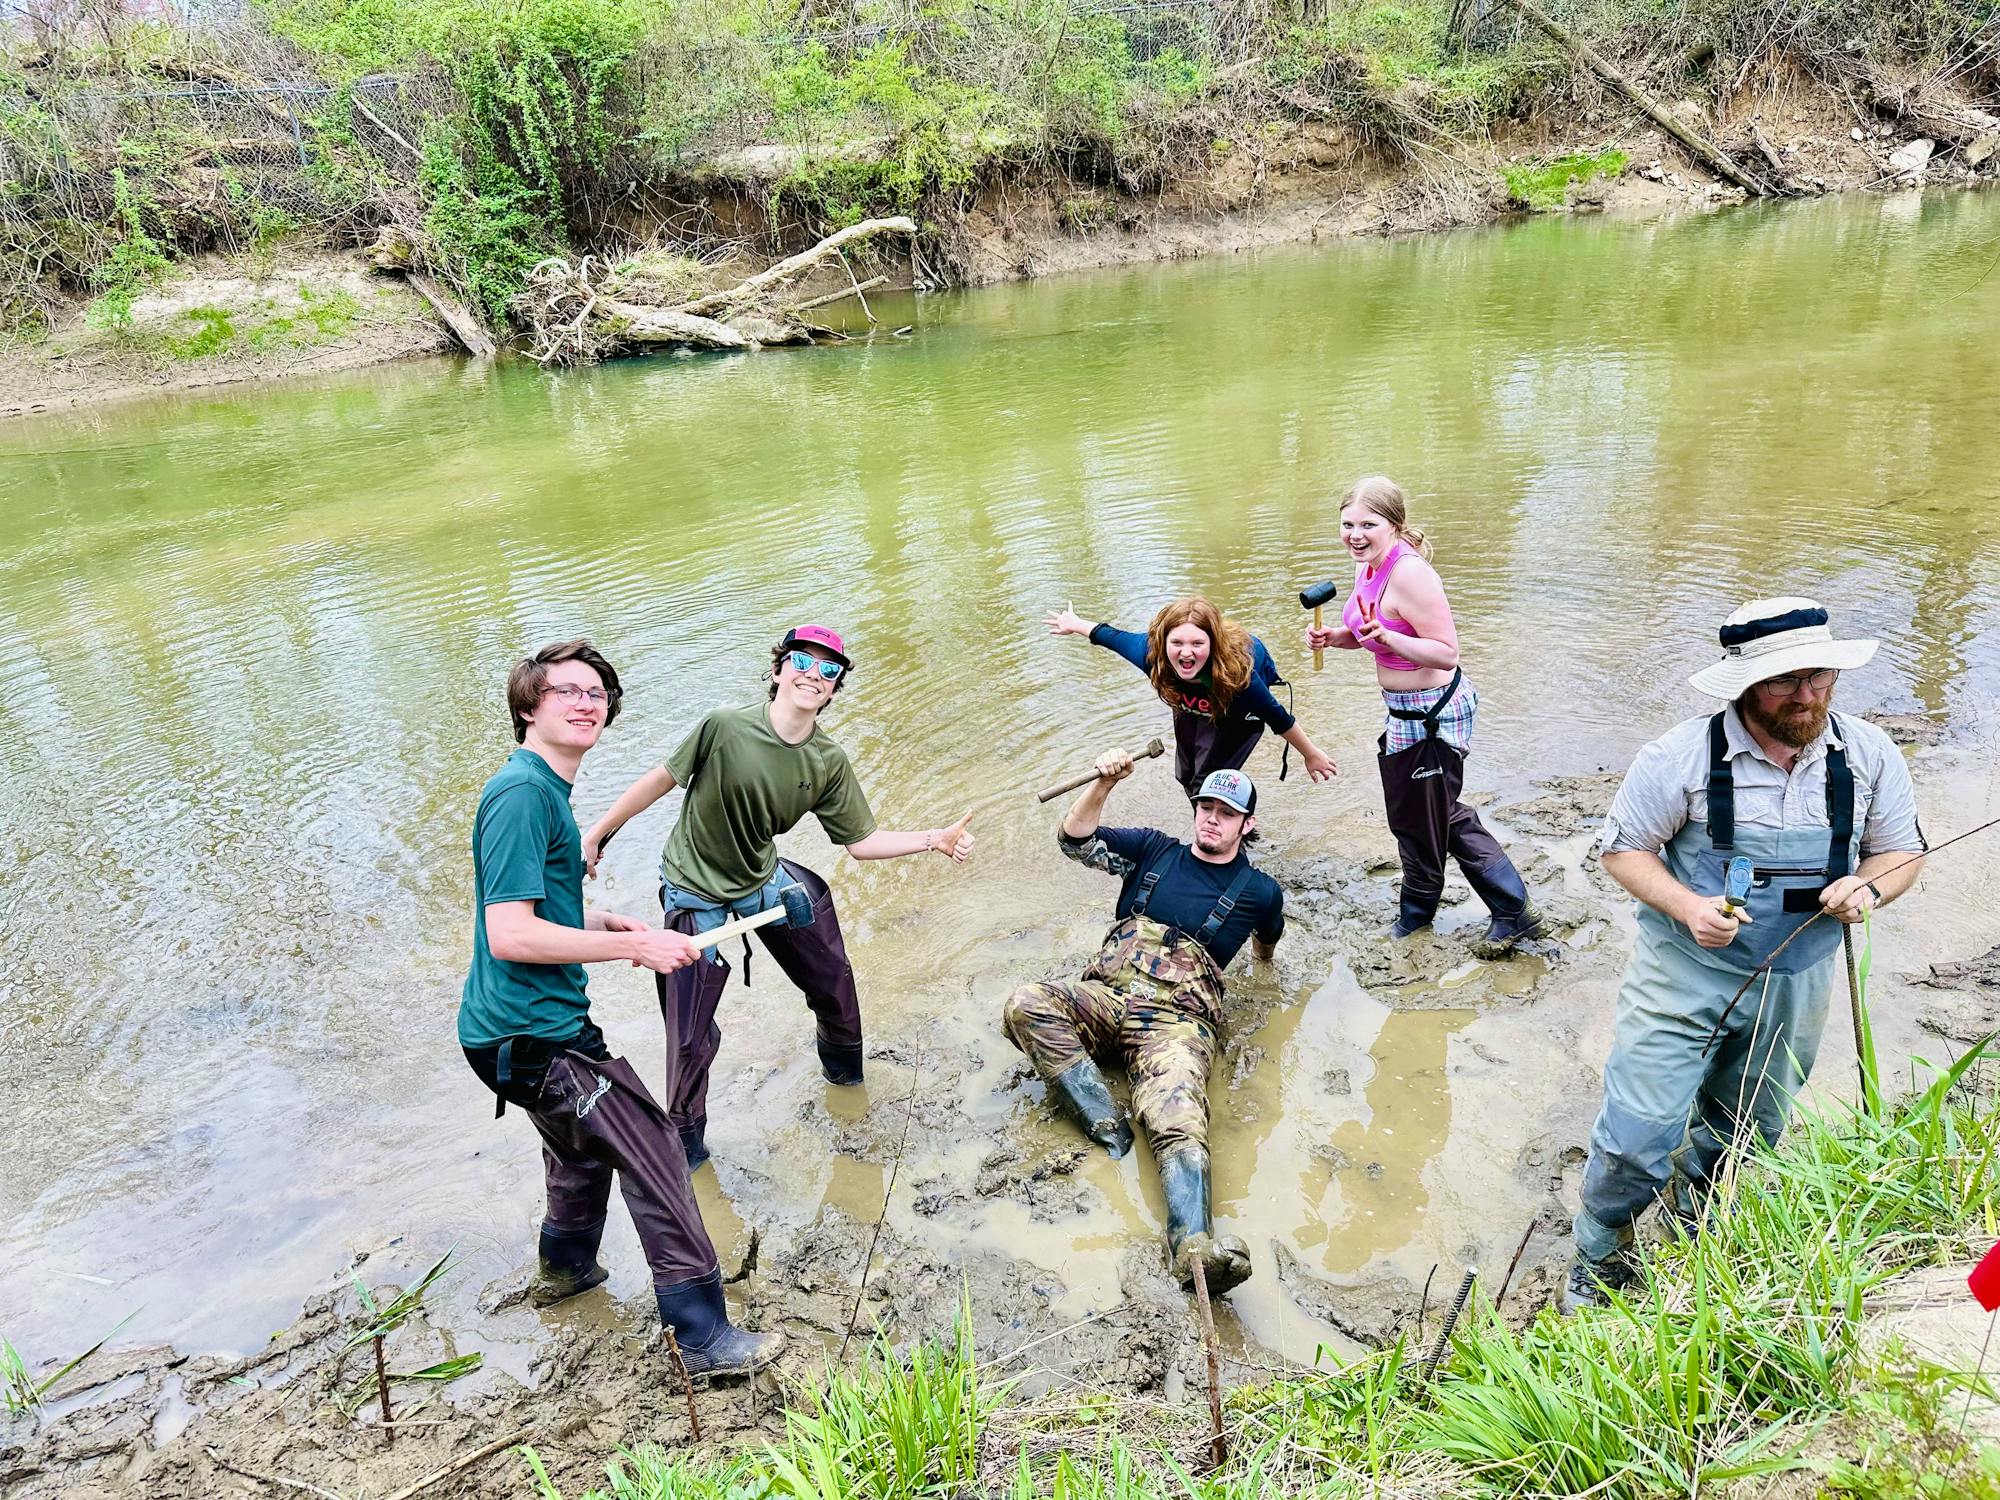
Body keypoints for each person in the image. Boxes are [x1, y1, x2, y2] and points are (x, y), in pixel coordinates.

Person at [1564, 598, 1926, 1310]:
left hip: (1797, 979)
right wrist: (1689, 907)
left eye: (1818, 676)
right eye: (1785, 681)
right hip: (1684, 970)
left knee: (1747, 1130)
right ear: (1743, 685)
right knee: (1638, 1135)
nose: (1807, 695)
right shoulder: (1677, 758)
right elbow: (1623, 849)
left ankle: (1697, 1220)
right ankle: (1598, 1254)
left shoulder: (1870, 755)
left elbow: (1902, 851)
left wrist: (1869, 888)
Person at [457, 640, 782, 1377]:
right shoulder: (522, 794)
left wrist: (602, 925)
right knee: (656, 1148)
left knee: (579, 1151)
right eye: (566, 691)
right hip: (533, 1034)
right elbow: (509, 933)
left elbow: (528, 908)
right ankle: (702, 1340)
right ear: (527, 707)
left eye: (597, 694)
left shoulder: (542, 790)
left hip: (513, 1033)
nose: (585, 703)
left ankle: (566, 1274)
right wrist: (637, 953)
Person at [583, 626, 975, 1172]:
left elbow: (861, 844)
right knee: (691, 1035)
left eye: (828, 670)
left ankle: (846, 1083)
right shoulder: (724, 727)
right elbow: (661, 780)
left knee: (835, 985)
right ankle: (688, 1153)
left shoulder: (827, 761)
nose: (813, 675)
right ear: (778, 670)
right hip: (695, 887)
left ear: (835, 690)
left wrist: (933, 839)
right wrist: (598, 832)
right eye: (802, 662)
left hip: (763, 878)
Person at [1002, 757, 1284, 1296]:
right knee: (1025, 1003)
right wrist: (1103, 784)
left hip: (1177, 1025)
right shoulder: (1154, 849)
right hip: (1107, 999)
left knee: (1177, 1114)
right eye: (1206, 807)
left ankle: (1192, 1247)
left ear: (1246, 824)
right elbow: (1073, 839)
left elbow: (1267, 944)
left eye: (1227, 813)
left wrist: (1265, 979)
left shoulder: (1261, 891)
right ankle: (1105, 1123)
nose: (1212, 820)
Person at [1305, 476, 1542, 949]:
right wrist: (1338, 637)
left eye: (1367, 524)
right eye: (1347, 523)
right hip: (1405, 713)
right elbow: (1371, 629)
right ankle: (1510, 908)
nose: (1355, 534)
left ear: (1393, 524)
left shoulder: (1411, 573)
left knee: (1420, 817)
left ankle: (1419, 916)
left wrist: (1388, 639)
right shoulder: (1368, 565)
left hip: (1434, 712)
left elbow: (1445, 652)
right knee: (1436, 811)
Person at [1047, 596, 1337, 798]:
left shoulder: (1240, 680)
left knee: (1206, 781)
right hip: (1190, 702)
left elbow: (1279, 719)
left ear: (1213, 644)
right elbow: (1107, 635)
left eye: (1198, 643)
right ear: (1163, 643)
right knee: (1185, 776)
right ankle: (1216, 813)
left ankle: (1234, 825)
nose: (1186, 652)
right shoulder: (1150, 654)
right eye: (1177, 643)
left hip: (1234, 710)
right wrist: (1074, 623)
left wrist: (1311, 755)